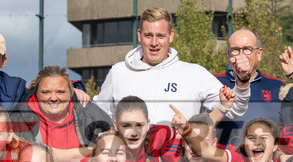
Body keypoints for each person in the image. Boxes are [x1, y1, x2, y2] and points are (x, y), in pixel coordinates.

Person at [94, 7, 237, 125]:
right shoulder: (118, 72)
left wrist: (241, 84)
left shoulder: (194, 73)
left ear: (171, 35)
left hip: (178, 159)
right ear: (139, 35)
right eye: (148, 35)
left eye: (161, 36)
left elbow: (235, 110)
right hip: (129, 160)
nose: (154, 42)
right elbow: (99, 118)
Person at [10, 65, 114, 162]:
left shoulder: (90, 113)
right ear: (37, 93)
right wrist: (93, 151)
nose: (54, 98)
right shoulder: (19, 120)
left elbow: (115, 151)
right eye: (46, 92)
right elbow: (26, 159)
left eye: (60, 92)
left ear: (70, 93)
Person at [215, 28, 285, 146]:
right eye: (235, 50)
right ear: (229, 55)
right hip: (224, 161)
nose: (242, 55)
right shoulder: (214, 82)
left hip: (264, 161)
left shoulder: (277, 87)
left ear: (259, 54)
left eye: (247, 49)